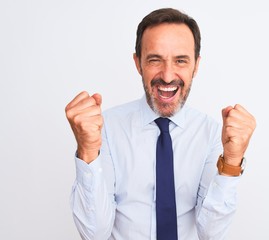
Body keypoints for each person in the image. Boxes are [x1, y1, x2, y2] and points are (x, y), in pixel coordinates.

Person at [65, 8, 256, 240]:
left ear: (196, 65)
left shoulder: (213, 134)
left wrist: (232, 162)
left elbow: (211, 234)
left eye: (181, 61)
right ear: (138, 64)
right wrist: (87, 151)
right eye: (155, 60)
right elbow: (94, 234)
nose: (167, 76)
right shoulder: (105, 129)